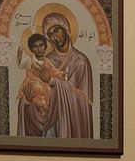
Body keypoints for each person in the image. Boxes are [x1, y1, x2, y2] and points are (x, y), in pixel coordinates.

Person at [17, 10, 93, 138]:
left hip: (68, 121)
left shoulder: (80, 61)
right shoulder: (46, 60)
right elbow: (31, 85)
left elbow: (82, 99)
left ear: (66, 29)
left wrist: (51, 81)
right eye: (50, 35)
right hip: (47, 120)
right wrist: (27, 100)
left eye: (57, 30)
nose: (54, 37)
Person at [16, 33, 64, 115]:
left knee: (46, 94)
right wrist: (19, 57)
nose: (39, 49)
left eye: (41, 45)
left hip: (43, 86)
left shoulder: (48, 63)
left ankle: (44, 111)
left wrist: (61, 74)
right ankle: (43, 109)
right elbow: (21, 64)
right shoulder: (29, 60)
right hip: (31, 84)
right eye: (36, 46)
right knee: (35, 90)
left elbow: (55, 72)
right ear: (32, 49)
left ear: (45, 47)